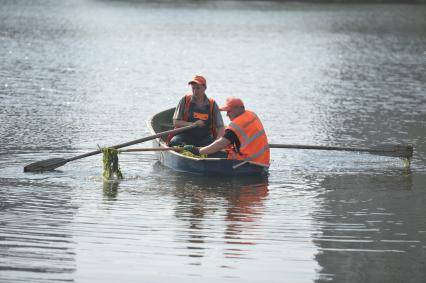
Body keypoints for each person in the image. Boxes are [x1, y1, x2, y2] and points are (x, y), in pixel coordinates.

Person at [183, 96, 270, 166]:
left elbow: (220, 144)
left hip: (246, 164)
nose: (227, 114)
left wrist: (198, 151)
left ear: (238, 108)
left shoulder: (236, 125)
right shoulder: (252, 115)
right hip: (263, 162)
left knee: (212, 152)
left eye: (229, 111)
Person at [168, 75, 225, 147]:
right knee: (174, 142)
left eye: (198, 88)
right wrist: (193, 124)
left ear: (205, 88)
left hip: (205, 138)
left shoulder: (212, 104)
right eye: (193, 88)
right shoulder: (185, 100)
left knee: (214, 146)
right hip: (186, 136)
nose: (195, 91)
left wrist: (217, 143)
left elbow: (221, 127)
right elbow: (176, 122)